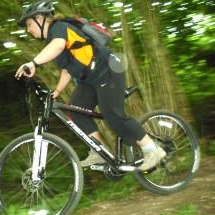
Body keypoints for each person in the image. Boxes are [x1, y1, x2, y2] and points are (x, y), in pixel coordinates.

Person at [15, 0, 166, 171]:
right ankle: (98, 151)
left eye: (29, 24)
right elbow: (68, 69)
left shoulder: (59, 27)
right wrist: (56, 91)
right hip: (91, 79)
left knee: (112, 114)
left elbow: (57, 46)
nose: (28, 29)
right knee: (74, 110)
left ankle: (152, 149)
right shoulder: (54, 38)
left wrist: (33, 63)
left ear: (41, 19)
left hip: (108, 70)